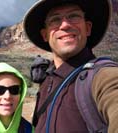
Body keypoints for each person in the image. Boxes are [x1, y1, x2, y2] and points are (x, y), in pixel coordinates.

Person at [23, 0, 118, 133]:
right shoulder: (46, 79)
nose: (65, 25)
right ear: (45, 35)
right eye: (55, 20)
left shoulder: (102, 76)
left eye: (73, 16)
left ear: (88, 28)